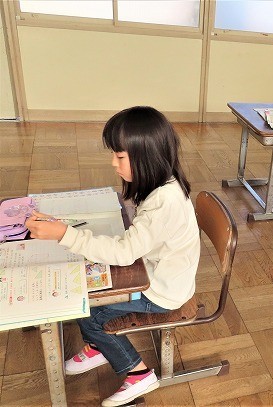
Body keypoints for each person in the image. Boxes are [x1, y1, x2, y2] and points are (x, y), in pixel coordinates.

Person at [26, 106, 200, 407]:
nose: (113, 163)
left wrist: (64, 234)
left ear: (146, 157)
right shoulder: (164, 183)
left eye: (120, 156)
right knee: (87, 292)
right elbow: (137, 240)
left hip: (163, 291)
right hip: (157, 273)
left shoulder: (164, 202)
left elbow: (124, 252)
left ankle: (137, 372)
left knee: (88, 311)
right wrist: (64, 229)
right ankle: (100, 346)